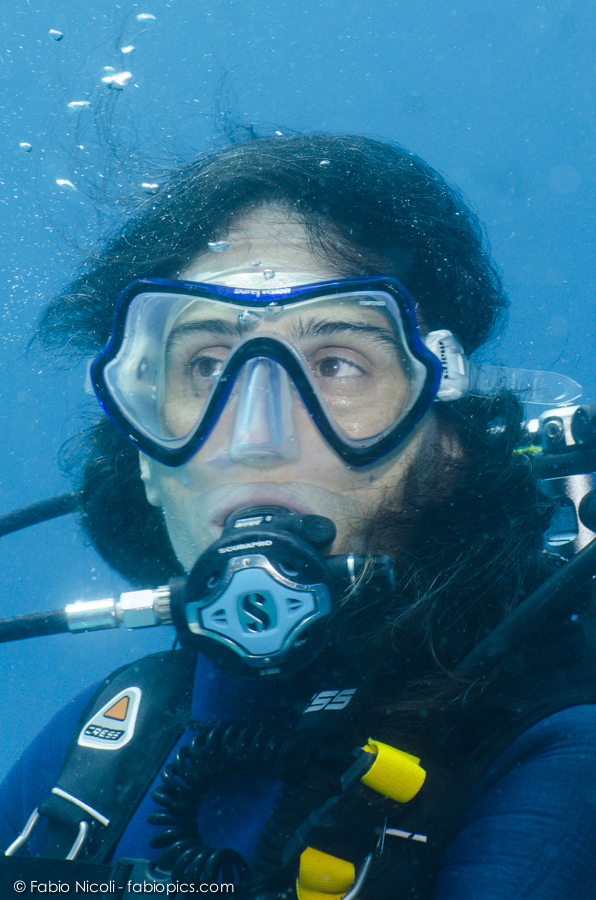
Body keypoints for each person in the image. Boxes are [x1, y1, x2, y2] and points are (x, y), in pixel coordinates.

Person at [1, 132, 596, 899]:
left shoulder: (553, 747)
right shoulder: (106, 739)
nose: (256, 437)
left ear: (447, 447)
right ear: (145, 461)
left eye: (337, 364)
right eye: (206, 365)